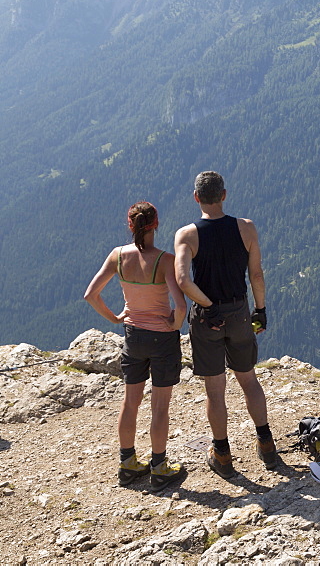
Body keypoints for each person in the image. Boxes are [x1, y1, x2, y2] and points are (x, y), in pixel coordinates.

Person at [173, 171, 275, 478]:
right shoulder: (246, 228)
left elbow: (182, 280)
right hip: (240, 312)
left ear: (196, 197)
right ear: (224, 195)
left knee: (215, 390)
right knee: (248, 379)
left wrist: (206, 306)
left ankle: (222, 453)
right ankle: (266, 444)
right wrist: (260, 310)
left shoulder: (187, 234)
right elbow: (256, 274)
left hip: (208, 320)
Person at [84, 201, 186, 492]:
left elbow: (91, 294)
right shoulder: (165, 260)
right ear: (155, 224)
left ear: (130, 225)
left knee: (130, 402)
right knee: (160, 407)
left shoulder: (118, 256)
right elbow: (179, 307)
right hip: (162, 339)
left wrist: (116, 318)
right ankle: (159, 467)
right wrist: (173, 325)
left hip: (133, 336)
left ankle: (127, 465)